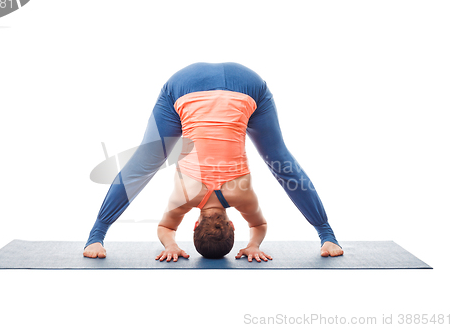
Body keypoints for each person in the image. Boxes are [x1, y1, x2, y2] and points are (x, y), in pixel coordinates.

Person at [83, 62, 343, 260]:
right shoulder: (183, 198)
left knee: (279, 161)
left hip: (246, 86)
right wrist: (172, 244)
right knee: (147, 161)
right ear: (194, 225)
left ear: (232, 225)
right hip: (185, 86)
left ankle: (328, 238)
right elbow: (164, 228)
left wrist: (253, 245)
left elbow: (259, 225)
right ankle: (95, 239)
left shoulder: (243, 197)